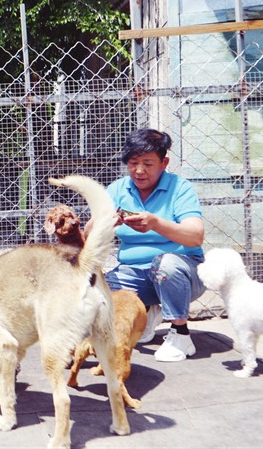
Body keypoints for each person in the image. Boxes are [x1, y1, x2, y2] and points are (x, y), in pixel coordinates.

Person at [87, 128, 206, 362]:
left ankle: (181, 334)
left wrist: (156, 223)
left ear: (164, 162)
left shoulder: (180, 188)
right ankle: (146, 313)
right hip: (134, 273)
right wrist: (104, 221)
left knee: (165, 265)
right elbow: (88, 235)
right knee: (99, 290)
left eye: (148, 163)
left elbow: (195, 236)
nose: (139, 171)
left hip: (183, 274)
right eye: (133, 163)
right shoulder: (118, 189)